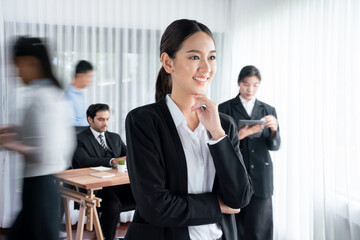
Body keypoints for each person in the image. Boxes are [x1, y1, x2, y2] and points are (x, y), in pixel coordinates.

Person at [124, 19, 253, 240]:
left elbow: (239, 198)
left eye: (211, 57)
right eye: (194, 57)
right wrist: (218, 205)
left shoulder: (224, 125)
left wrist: (217, 134)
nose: (206, 68)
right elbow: (155, 207)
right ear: (168, 62)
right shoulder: (144, 121)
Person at [0, 36, 75, 240]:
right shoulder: (50, 93)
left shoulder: (42, 96)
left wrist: (11, 144)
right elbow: (42, 136)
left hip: (41, 186)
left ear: (31, 62)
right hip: (39, 185)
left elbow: (47, 151)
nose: (16, 73)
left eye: (17, 66)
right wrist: (15, 132)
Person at [218, 65, 281, 240]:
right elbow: (217, 146)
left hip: (261, 176)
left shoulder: (269, 110)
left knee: (260, 228)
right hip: (235, 174)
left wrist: (274, 130)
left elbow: (274, 146)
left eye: (255, 85)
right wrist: (240, 135)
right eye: (246, 84)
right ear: (239, 83)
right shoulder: (225, 109)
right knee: (234, 228)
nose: (250, 89)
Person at [72, 103, 135, 240]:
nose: (105, 123)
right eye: (101, 119)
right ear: (90, 119)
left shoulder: (115, 137)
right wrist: (112, 161)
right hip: (97, 187)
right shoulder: (79, 139)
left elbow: (130, 157)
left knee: (144, 194)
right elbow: (83, 161)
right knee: (112, 204)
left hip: (117, 183)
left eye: (107, 119)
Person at [65, 60, 93, 127]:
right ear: (79, 76)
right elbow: (70, 123)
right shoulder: (69, 95)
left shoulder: (79, 94)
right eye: (88, 77)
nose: (90, 80)